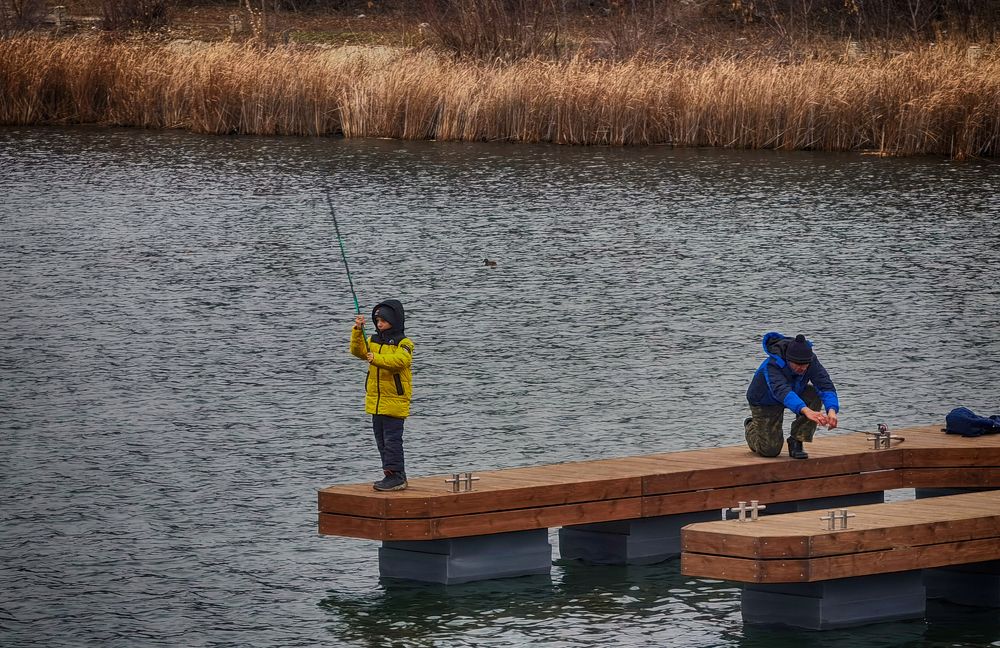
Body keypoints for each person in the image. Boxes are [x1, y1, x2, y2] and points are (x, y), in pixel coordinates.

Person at [350, 299, 414, 491]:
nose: (379, 324)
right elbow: (358, 351)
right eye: (377, 321)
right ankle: (389, 474)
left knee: (393, 441)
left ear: (394, 320)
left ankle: (397, 476)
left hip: (394, 402)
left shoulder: (405, 343)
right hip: (376, 402)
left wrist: (376, 358)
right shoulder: (373, 340)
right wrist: (357, 330)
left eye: (383, 320)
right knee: (381, 441)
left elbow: (400, 361)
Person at [745, 332, 839, 460]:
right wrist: (806, 410)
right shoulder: (772, 365)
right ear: (788, 360)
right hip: (764, 400)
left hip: (794, 391)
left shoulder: (811, 361)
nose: (802, 369)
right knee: (770, 450)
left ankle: (797, 440)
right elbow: (782, 391)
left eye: (805, 365)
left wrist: (832, 410)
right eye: (798, 365)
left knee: (814, 394)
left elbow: (825, 385)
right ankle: (751, 426)